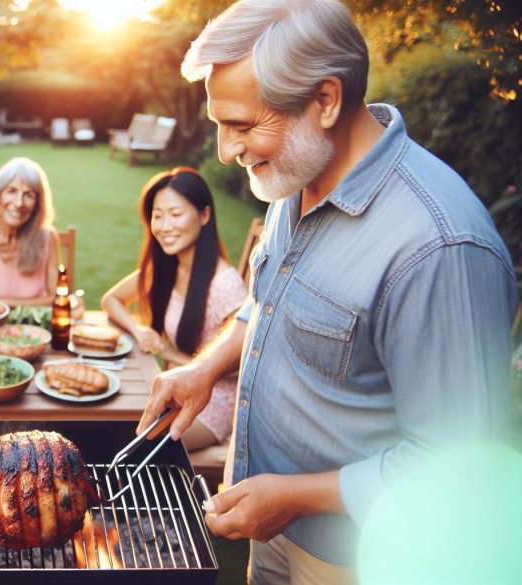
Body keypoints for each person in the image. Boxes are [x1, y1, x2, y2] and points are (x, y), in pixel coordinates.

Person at [135, 0, 517, 581]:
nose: (225, 150)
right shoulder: (296, 177)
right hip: (273, 526)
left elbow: (458, 467)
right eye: (220, 123)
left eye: (243, 125)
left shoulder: (439, 248)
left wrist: (295, 497)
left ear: (325, 101)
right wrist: (204, 368)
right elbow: (267, 304)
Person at [102, 167, 246, 451]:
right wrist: (139, 330)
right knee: (105, 421)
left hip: (213, 403)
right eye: (158, 215)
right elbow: (111, 300)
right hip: (173, 390)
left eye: (176, 214)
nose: (165, 226)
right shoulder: (168, 267)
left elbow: (247, 363)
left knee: (129, 444)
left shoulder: (224, 285)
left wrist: (171, 355)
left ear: (204, 215)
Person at [0, 157, 60, 306]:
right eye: (11, 191)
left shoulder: (48, 237)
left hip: (38, 321)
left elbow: (57, 299)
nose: (19, 203)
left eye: (28, 195)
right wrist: (38, 303)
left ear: (37, 203)